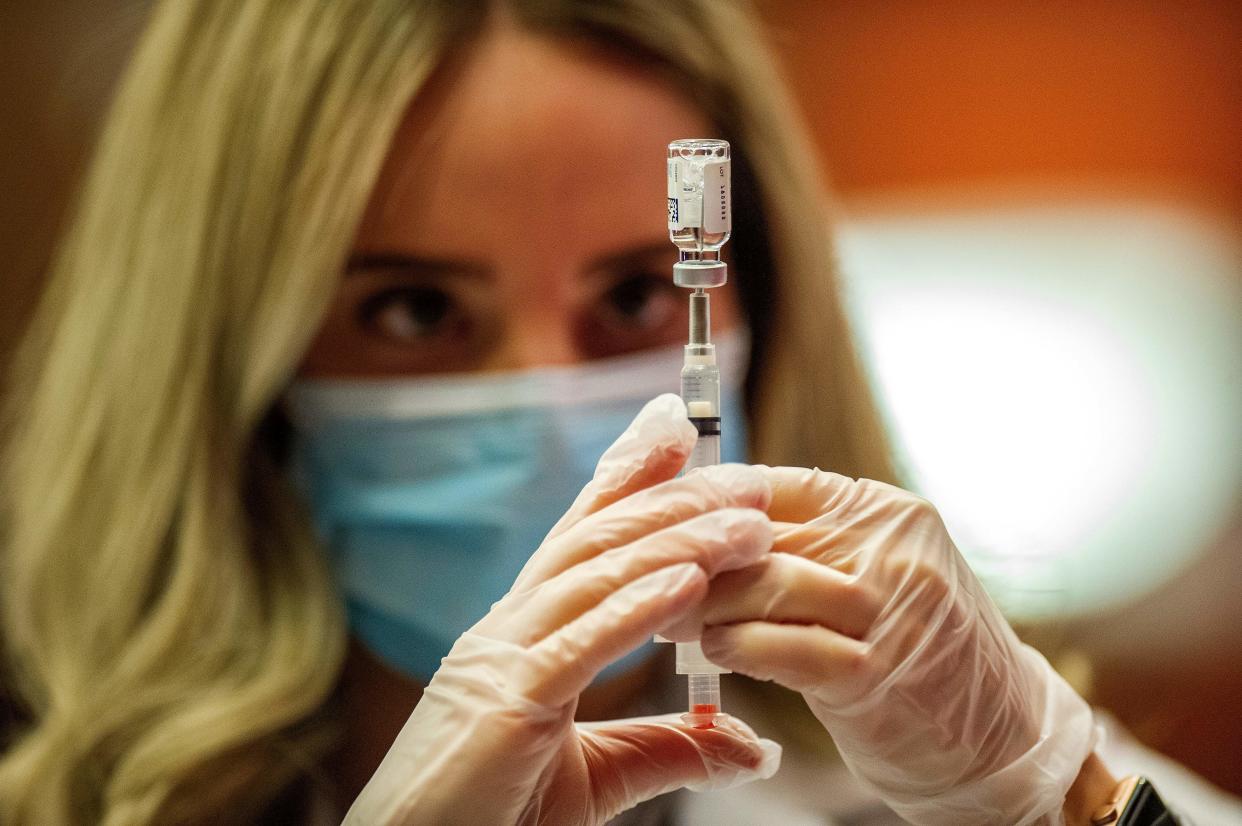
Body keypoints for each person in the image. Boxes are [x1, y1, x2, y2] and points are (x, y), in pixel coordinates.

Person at [1, 1, 1238, 824]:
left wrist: (1056, 794)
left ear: (764, 313)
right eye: (417, 312)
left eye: (640, 292)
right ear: (232, 371)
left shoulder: (974, 782)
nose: (558, 411)